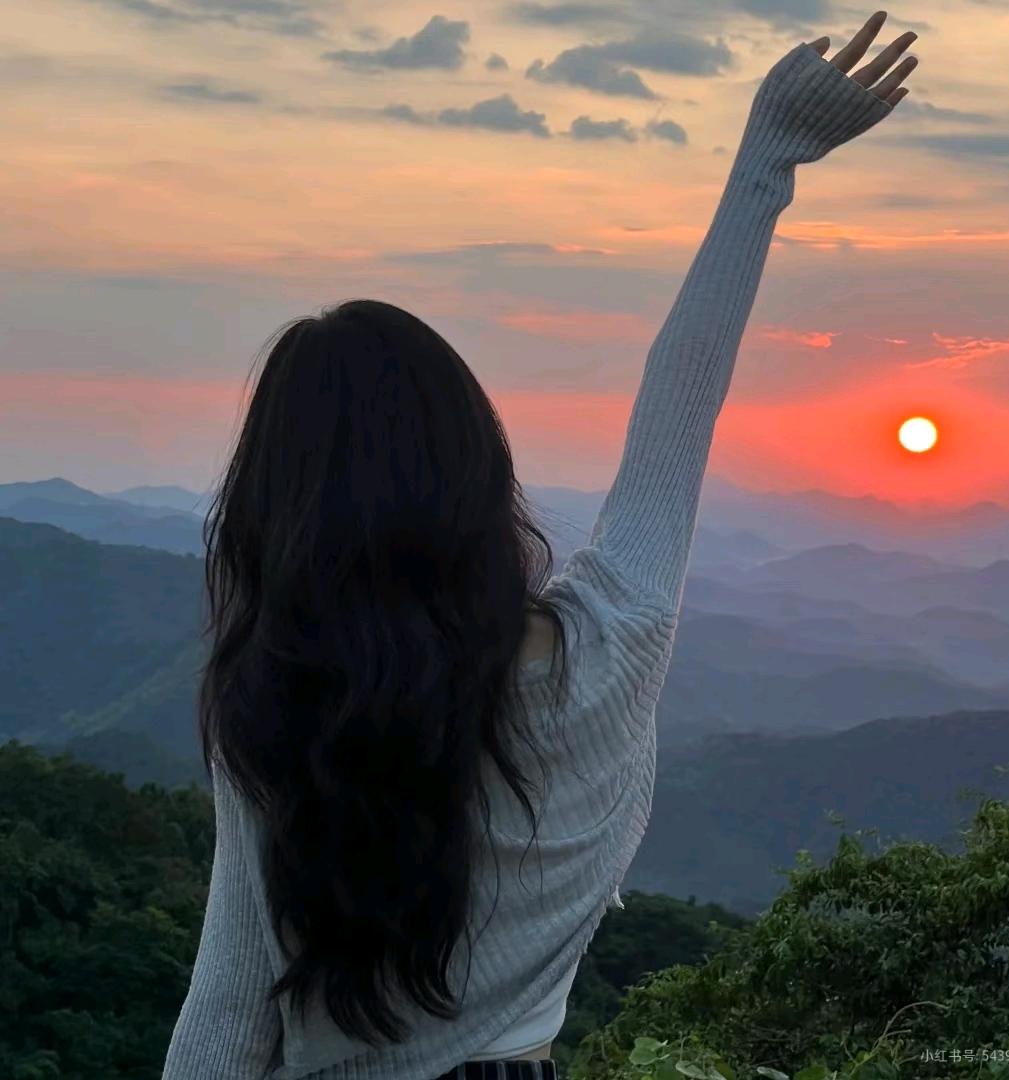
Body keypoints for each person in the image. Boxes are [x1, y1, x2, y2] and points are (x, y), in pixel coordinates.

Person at [162, 11, 919, 1080]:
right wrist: (767, 160)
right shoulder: (610, 645)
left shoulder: (279, 709)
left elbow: (227, 1016)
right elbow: (678, 410)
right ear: (477, 468)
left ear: (273, 511)